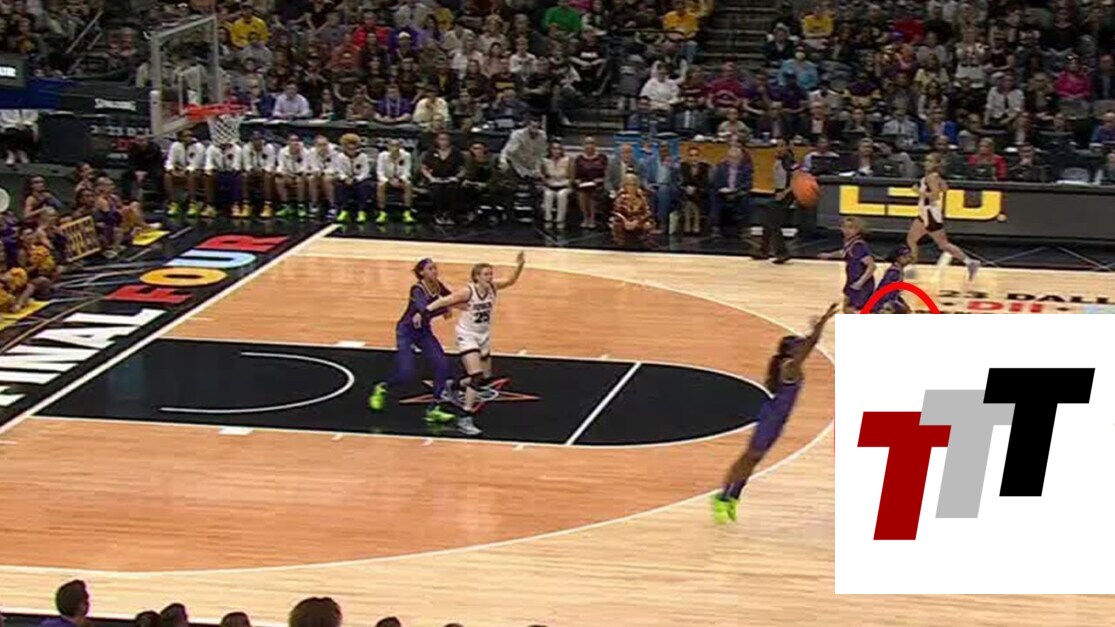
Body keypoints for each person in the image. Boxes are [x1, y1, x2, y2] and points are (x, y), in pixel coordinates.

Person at [712, 303, 838, 523]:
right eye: (798, 347)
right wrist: (822, 324)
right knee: (749, 458)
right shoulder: (789, 367)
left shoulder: (787, 363)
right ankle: (722, 498)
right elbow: (810, 345)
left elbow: (807, 344)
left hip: (777, 417)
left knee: (754, 459)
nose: (802, 348)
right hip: (773, 418)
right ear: (791, 351)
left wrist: (816, 327)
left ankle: (734, 495)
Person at [423, 251, 527, 436]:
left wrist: (520, 265)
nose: (490, 277)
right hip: (467, 335)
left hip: (483, 335)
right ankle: (465, 417)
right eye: (486, 274)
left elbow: (510, 281)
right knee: (476, 375)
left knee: (486, 378)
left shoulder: (493, 288)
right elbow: (445, 300)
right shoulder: (468, 291)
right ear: (476, 277)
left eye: (491, 274)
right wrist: (423, 311)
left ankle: (453, 385)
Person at [369, 258, 458, 424]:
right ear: (421, 272)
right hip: (406, 332)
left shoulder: (437, 285)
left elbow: (452, 298)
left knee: (442, 365)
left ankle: (434, 408)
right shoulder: (417, 289)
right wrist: (443, 309)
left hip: (423, 332)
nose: (434, 271)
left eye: (435, 268)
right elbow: (424, 308)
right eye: (430, 268)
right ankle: (382, 387)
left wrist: (465, 302)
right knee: (406, 372)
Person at [907, 153, 981, 281]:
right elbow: (945, 188)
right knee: (911, 239)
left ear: (936, 164)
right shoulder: (935, 177)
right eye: (926, 161)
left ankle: (970, 262)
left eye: (930, 161)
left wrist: (918, 192)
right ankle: (912, 269)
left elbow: (935, 196)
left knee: (943, 244)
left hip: (930, 213)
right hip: (926, 213)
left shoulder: (932, 177)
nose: (926, 163)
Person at [819, 217, 875, 313]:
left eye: (851, 228)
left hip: (861, 283)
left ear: (858, 230)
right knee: (846, 309)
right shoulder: (850, 243)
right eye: (845, 227)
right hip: (852, 280)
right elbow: (844, 252)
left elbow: (872, 266)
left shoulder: (858, 246)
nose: (847, 230)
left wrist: (860, 283)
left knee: (854, 310)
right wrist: (829, 255)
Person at [757, 139, 793, 263]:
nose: (779, 148)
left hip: (786, 194)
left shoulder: (790, 162)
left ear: (787, 147)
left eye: (782, 146)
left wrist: (785, 192)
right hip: (777, 192)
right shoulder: (778, 160)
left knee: (774, 223)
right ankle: (764, 251)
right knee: (766, 221)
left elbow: (797, 179)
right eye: (777, 146)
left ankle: (782, 253)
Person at [422, 132, 465, 226]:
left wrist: (456, 177)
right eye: (441, 139)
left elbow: (462, 169)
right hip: (435, 178)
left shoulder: (456, 153)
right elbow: (424, 168)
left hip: (451, 178)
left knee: (452, 189)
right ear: (437, 141)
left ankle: (450, 215)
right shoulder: (431, 152)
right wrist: (431, 178)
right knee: (436, 189)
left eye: (446, 139)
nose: (443, 142)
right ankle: (438, 214)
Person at [708, 145, 752, 237]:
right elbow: (715, 182)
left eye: (736, 158)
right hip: (722, 193)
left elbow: (748, 183)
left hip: (738, 193)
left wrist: (736, 191)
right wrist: (723, 190)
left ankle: (744, 228)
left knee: (746, 198)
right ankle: (715, 227)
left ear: (740, 158)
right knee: (713, 196)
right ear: (727, 158)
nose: (733, 160)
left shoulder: (746, 168)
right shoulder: (720, 167)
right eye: (731, 158)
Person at [163, 129, 205, 217]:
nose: (189, 138)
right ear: (180, 137)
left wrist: (186, 171)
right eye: (186, 136)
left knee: (190, 176)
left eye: (190, 135)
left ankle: (193, 203)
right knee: (167, 176)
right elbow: (170, 160)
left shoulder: (199, 146)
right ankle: (173, 203)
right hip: (180, 169)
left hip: (196, 171)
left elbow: (196, 163)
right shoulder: (175, 146)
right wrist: (171, 170)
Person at [333, 133, 373, 224]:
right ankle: (344, 210)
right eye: (348, 146)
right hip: (346, 178)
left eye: (353, 146)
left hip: (359, 179)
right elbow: (339, 170)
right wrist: (345, 178)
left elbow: (365, 171)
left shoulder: (363, 157)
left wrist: (356, 179)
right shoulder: (340, 157)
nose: (351, 148)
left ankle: (361, 211)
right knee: (340, 186)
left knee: (363, 186)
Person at [610, 172, 655, 246]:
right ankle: (620, 242)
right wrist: (625, 221)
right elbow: (617, 212)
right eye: (628, 184)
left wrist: (637, 221)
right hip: (624, 220)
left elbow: (647, 212)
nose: (631, 187)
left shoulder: (642, 196)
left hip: (638, 219)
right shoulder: (620, 195)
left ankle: (645, 242)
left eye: (633, 184)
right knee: (615, 223)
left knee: (648, 224)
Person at [203, 137, 243, 219]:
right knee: (208, 177)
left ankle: (235, 206)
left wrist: (233, 170)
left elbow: (237, 165)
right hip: (218, 171)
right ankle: (210, 206)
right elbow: (208, 163)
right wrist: (209, 170)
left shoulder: (237, 149)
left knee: (237, 178)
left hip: (231, 172)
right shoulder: (211, 148)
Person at [574, 136, 608, 229]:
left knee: (593, 192)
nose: (589, 146)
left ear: (595, 145)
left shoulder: (602, 157)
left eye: (592, 143)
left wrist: (601, 179)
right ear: (583, 145)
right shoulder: (579, 158)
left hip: (598, 183)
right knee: (582, 193)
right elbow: (575, 174)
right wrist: (577, 180)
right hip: (583, 183)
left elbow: (607, 173)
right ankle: (585, 217)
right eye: (587, 143)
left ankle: (592, 218)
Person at [275, 134, 312, 218]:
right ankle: (285, 205)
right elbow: (280, 166)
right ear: (288, 142)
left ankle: (300, 205)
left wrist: (297, 173)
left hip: (301, 175)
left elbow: (305, 167)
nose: (295, 143)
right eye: (292, 140)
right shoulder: (282, 152)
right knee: (279, 180)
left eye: (297, 140)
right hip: (288, 174)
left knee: (300, 180)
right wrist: (284, 173)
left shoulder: (305, 152)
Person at [241, 131, 276, 218]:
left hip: (265, 172)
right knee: (244, 176)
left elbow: (271, 164)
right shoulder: (246, 148)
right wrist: (251, 170)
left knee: (268, 177)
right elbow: (246, 164)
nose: (257, 142)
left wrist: (263, 170)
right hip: (252, 172)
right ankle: (247, 205)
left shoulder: (269, 148)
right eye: (254, 140)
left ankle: (268, 205)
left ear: (262, 140)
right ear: (251, 141)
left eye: (259, 139)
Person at [541, 141, 572, 231]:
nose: (556, 151)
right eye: (554, 149)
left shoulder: (568, 160)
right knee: (548, 194)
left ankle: (560, 220)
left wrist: (569, 184)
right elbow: (543, 176)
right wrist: (544, 182)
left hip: (564, 185)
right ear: (550, 150)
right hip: (550, 185)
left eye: (558, 149)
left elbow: (571, 177)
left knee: (561, 195)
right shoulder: (545, 161)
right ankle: (548, 219)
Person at [872, 245, 913, 313]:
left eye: (909, 257)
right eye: (905, 257)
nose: (908, 259)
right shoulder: (894, 272)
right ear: (898, 258)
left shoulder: (897, 271)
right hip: (883, 305)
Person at [306, 135, 338, 219]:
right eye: (320, 145)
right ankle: (314, 204)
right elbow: (313, 165)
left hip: (335, 174)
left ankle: (332, 206)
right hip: (319, 174)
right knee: (312, 179)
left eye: (325, 144)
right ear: (316, 146)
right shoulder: (312, 152)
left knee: (326, 180)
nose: (323, 147)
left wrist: (324, 172)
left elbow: (335, 167)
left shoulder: (334, 151)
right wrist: (316, 171)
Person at [679, 145, 708, 235]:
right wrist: (686, 188)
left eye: (696, 155)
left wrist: (695, 189)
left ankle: (688, 225)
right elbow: (681, 181)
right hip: (685, 191)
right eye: (691, 155)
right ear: (688, 157)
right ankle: (696, 226)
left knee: (692, 198)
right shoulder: (683, 167)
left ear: (699, 156)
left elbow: (705, 183)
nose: (694, 158)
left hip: (701, 192)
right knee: (689, 198)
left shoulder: (705, 167)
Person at [124, 135, 163, 202]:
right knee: (125, 176)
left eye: (142, 141)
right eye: (138, 141)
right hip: (137, 170)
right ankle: (126, 197)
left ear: (147, 141)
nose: (141, 143)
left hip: (152, 169)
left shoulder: (154, 148)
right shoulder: (132, 148)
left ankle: (158, 198)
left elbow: (156, 163)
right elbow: (131, 163)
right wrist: (135, 172)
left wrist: (146, 172)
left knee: (159, 175)